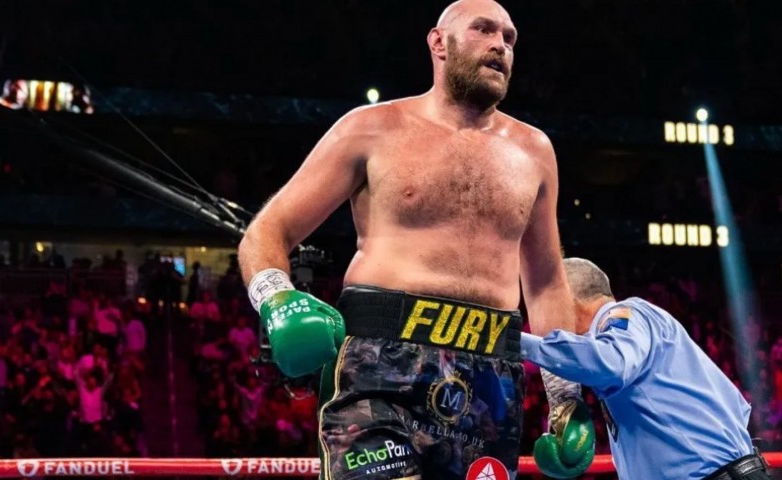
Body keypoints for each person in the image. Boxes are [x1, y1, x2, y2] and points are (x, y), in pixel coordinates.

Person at [238, 0, 594, 478]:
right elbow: (267, 230)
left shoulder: (535, 151)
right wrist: (276, 298)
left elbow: (548, 282)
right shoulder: (371, 128)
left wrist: (564, 398)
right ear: (438, 42)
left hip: (490, 380)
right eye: (484, 30)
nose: (500, 46)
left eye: (509, 39)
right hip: (382, 365)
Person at [521, 258, 771, 480]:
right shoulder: (610, 336)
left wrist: (515, 341)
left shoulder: (627, 314)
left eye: (547, 307)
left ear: (565, 299)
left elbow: (612, 363)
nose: (544, 323)